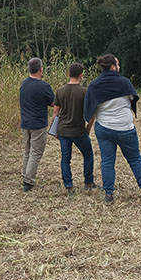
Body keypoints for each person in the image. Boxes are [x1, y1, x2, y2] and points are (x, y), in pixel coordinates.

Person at [84, 54, 141, 204]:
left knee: (107, 161)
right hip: (125, 129)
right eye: (117, 64)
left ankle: (108, 195)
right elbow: (133, 99)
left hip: (104, 128)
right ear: (113, 67)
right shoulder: (124, 83)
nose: (119, 67)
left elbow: (90, 109)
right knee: (134, 159)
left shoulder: (94, 85)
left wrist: (88, 126)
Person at [52, 63, 95, 195]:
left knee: (66, 158)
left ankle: (68, 185)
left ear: (68, 74)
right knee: (88, 155)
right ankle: (88, 182)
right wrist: (88, 129)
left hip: (63, 130)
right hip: (78, 130)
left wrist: (55, 130)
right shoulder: (85, 92)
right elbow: (92, 114)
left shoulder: (60, 91)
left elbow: (55, 113)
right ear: (81, 76)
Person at [19, 57, 55, 192]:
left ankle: (25, 175)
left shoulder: (24, 83)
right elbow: (53, 103)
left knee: (28, 151)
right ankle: (28, 181)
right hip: (38, 124)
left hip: (25, 123)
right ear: (40, 69)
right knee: (36, 153)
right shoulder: (44, 86)